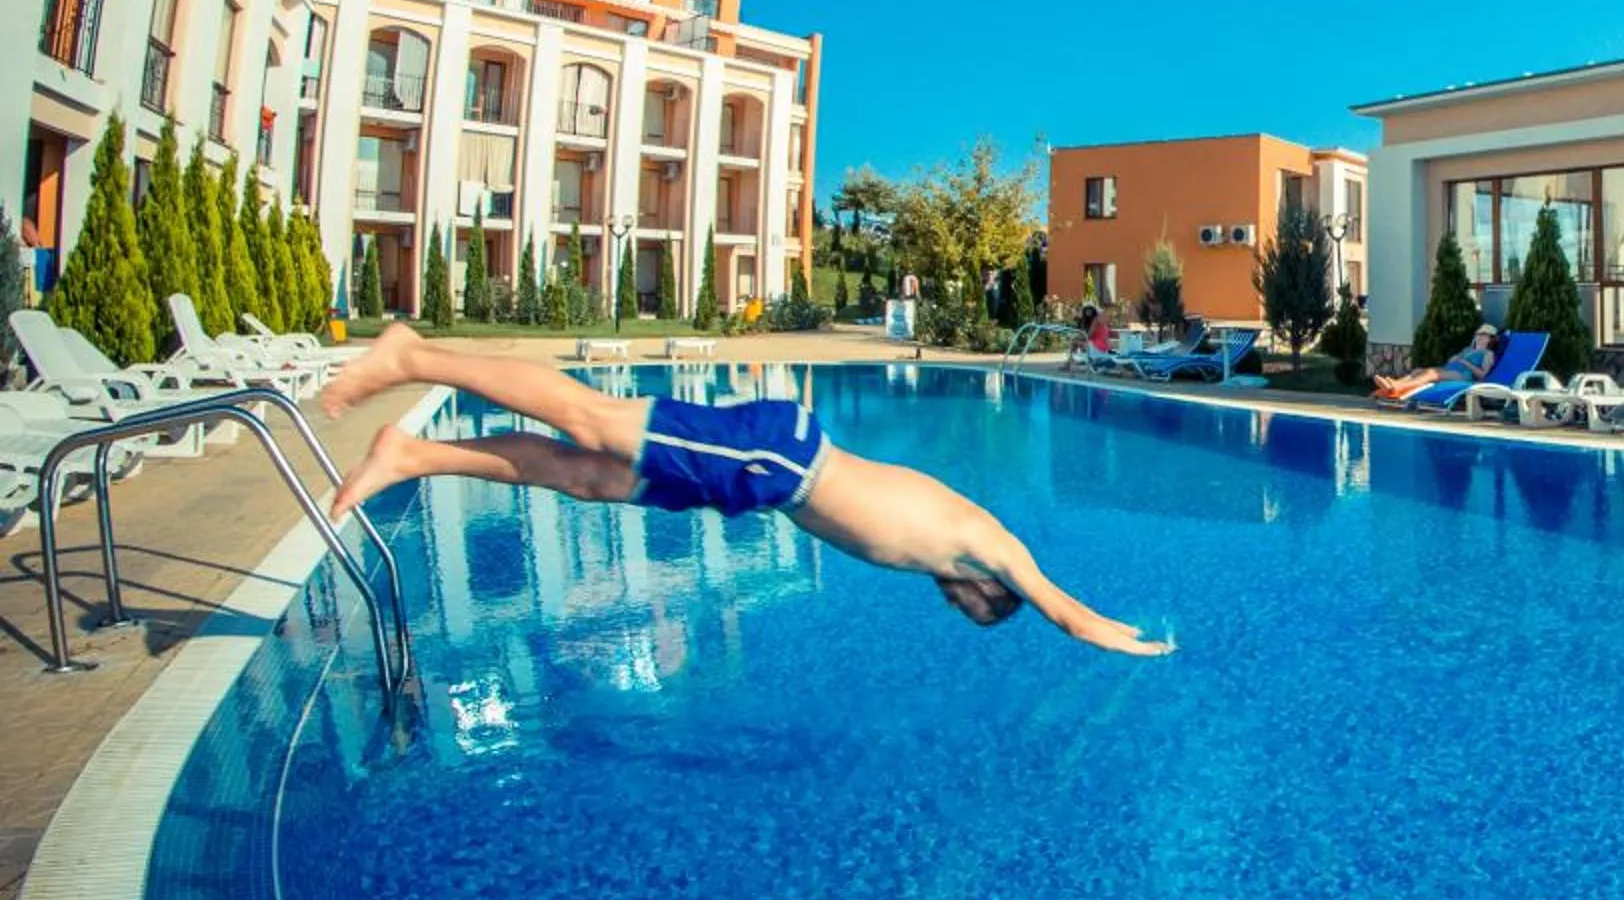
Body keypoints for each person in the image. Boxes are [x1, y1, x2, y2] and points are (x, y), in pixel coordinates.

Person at [322, 324, 1171, 656]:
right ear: (990, 588)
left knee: (586, 480)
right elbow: (1067, 611)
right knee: (591, 420)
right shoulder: (990, 546)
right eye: (977, 608)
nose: (960, 607)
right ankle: (413, 355)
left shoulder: (948, 551)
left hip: (763, 483)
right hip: (775, 459)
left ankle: (416, 454)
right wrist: (1131, 639)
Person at [1373, 323, 1501, 404]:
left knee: (1431, 374)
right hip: (1451, 369)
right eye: (1479, 333)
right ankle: (1392, 386)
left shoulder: (1488, 354)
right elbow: (1451, 361)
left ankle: (1396, 388)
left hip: (1463, 375)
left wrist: (1465, 362)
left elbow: (1482, 375)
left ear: (1490, 339)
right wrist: (1455, 358)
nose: (1479, 336)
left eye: (1484, 334)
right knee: (1418, 371)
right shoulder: (1468, 350)